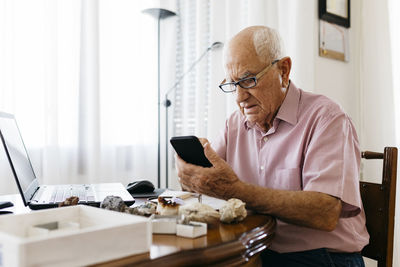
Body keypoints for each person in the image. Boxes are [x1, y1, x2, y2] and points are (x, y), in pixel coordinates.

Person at [176, 25, 369, 267]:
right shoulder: (234, 124)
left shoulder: (327, 118)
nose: (239, 97)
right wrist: (192, 174)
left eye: (248, 80)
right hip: (259, 250)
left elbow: (325, 212)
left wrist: (234, 189)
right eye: (232, 84)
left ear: (283, 70)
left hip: (324, 258)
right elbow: (211, 181)